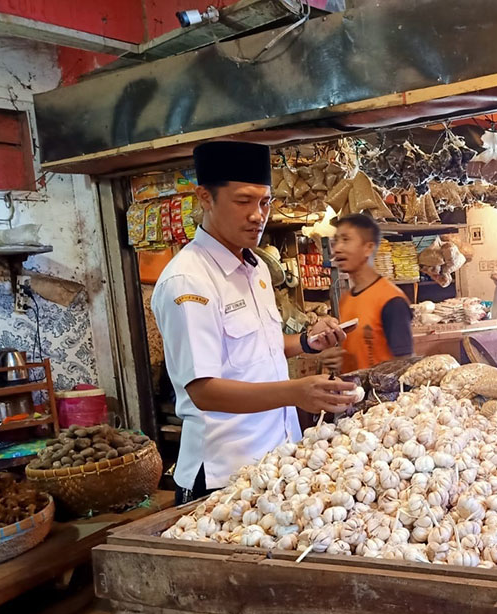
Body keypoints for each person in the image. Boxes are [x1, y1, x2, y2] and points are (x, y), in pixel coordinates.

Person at [152, 141, 357, 505]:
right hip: (223, 476)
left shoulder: (257, 267)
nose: (257, 215)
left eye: (264, 202)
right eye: (243, 201)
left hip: (277, 461)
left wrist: (307, 342)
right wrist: (295, 392)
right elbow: (203, 391)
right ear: (205, 198)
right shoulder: (188, 280)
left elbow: (259, 346)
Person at [332, 214, 414, 372]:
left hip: (381, 395)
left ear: (368, 248)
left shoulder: (391, 300)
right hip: (353, 393)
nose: (337, 248)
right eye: (336, 241)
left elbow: (404, 365)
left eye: (346, 240)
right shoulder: (346, 299)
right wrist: (338, 361)